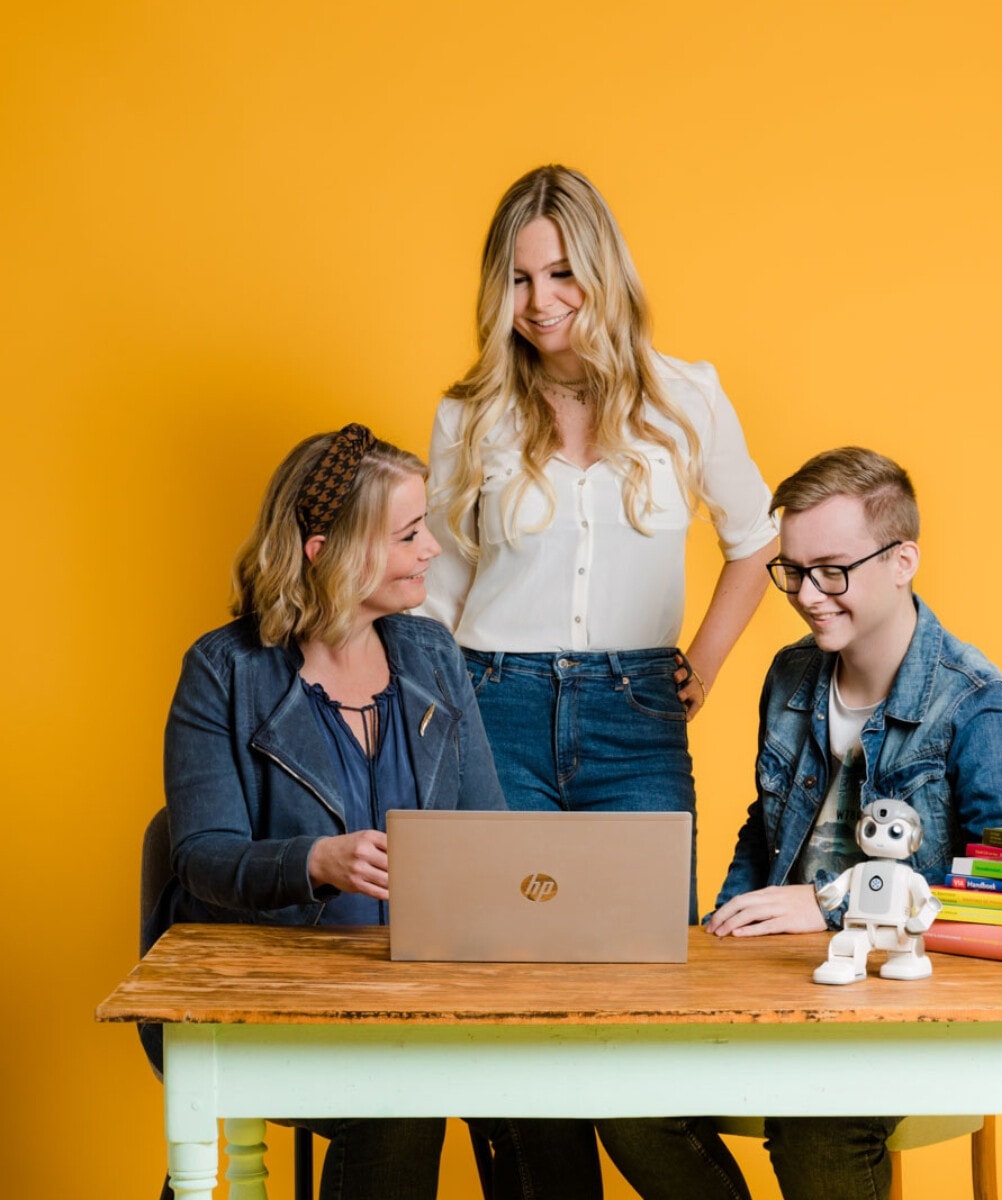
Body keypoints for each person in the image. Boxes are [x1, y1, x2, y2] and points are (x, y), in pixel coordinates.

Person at [420, 165, 778, 1197]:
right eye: (518, 279)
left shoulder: (686, 397)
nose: (540, 303)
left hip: (635, 721)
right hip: (495, 708)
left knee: (647, 1008)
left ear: (604, 271)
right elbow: (437, 591)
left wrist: (702, 663)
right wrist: (443, 724)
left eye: (562, 273)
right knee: (513, 1017)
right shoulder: (468, 416)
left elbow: (756, 540)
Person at [598, 446, 1002, 1200]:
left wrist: (833, 903)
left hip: (908, 1004)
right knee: (623, 1095)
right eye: (793, 570)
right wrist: (725, 930)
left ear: (903, 561)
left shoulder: (977, 702)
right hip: (780, 986)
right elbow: (764, 826)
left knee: (816, 1121)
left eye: (832, 571)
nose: (808, 595)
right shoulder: (790, 672)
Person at [147, 424, 506, 1200]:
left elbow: (490, 834)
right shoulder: (223, 670)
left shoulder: (432, 654)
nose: (432, 550)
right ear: (325, 551)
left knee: (533, 1094)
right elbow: (200, 855)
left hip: (413, 999)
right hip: (270, 999)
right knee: (401, 1104)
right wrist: (314, 861)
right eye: (408, 535)